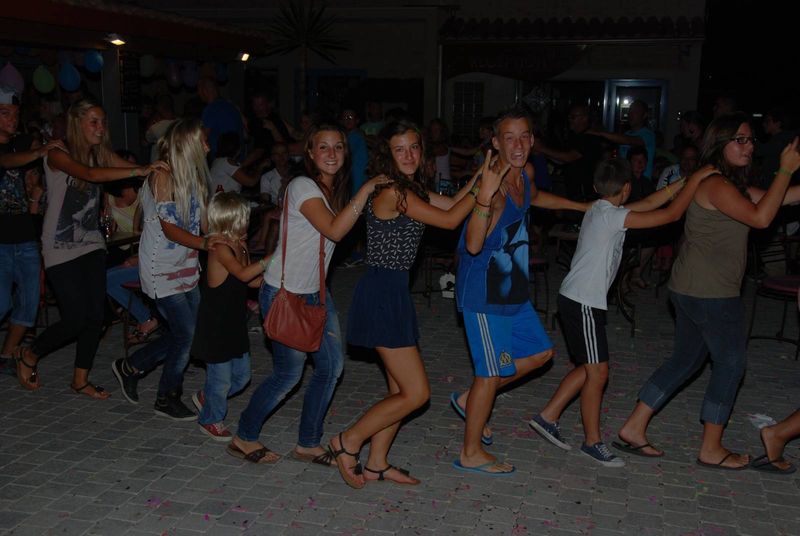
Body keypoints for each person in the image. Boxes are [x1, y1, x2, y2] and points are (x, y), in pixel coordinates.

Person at [616, 113, 800, 469]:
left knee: (686, 360)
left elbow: (777, 199)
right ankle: (711, 448)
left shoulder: (729, 185)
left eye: (750, 140)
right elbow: (762, 217)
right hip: (710, 294)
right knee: (731, 364)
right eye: (739, 140)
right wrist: (785, 170)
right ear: (720, 143)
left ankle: (634, 426)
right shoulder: (716, 185)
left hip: (691, 288)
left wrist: (788, 181)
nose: (748, 146)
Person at [329, 120, 490, 488]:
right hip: (382, 292)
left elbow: (452, 202)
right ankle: (347, 441)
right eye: (399, 149)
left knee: (399, 391)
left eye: (414, 147)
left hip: (393, 291)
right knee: (417, 393)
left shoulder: (408, 189)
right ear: (387, 154)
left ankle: (377, 463)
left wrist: (481, 174)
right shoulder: (392, 192)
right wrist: (486, 187)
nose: (408, 155)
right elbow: (450, 220)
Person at [529, 158, 713, 467]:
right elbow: (670, 214)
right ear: (627, 188)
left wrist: (684, 180)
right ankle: (592, 442)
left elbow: (651, 202)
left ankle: (547, 417)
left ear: (595, 187)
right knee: (598, 373)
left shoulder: (599, 209)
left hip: (575, 299)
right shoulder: (613, 217)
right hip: (583, 302)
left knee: (589, 367)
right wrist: (694, 182)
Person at [228, 124, 385, 464]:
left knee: (331, 368)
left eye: (338, 147)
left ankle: (308, 443)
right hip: (286, 295)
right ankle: (244, 436)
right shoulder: (302, 186)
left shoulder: (332, 192)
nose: (331, 153)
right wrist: (367, 188)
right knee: (288, 375)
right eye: (323, 147)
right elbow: (335, 231)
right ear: (310, 154)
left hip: (316, 293)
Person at [451, 105, 588, 476]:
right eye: (509, 138)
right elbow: (474, 244)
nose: (518, 144)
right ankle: (470, 451)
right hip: (483, 290)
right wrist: (484, 197)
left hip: (511, 284)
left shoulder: (524, 174)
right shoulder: (492, 186)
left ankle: (470, 399)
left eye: (524, 136)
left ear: (532, 140)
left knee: (541, 353)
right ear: (495, 143)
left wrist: (581, 206)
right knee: (489, 374)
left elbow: (536, 197)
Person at [13, 99, 163, 397]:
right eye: (93, 121)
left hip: (92, 243)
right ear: (76, 123)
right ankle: (29, 353)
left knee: (96, 315)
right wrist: (140, 169)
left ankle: (80, 379)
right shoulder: (57, 153)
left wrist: (160, 169)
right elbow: (91, 175)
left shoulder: (100, 153)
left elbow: (134, 170)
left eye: (103, 122)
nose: (100, 127)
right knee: (74, 318)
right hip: (59, 246)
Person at [112, 118, 225, 418]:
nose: (208, 147)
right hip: (160, 269)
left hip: (186, 267)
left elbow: (203, 224)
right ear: (187, 144)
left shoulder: (195, 178)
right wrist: (206, 244)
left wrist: (225, 229)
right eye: (203, 141)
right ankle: (166, 397)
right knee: (186, 335)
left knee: (188, 334)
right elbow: (170, 230)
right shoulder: (162, 175)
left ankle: (131, 366)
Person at [190, 192, 271, 440]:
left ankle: (207, 396)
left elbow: (250, 281)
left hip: (234, 322)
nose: (249, 221)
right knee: (222, 380)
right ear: (234, 220)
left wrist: (276, 280)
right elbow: (244, 274)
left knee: (242, 377)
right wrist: (271, 258)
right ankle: (210, 419)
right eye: (245, 217)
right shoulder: (220, 249)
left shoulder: (240, 245)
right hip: (215, 325)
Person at [0, 85, 63, 370]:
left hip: (25, 238)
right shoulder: (19, 151)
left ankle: (6, 356)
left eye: (15, 113)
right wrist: (39, 151)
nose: (12, 119)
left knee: (28, 304)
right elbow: (6, 161)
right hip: (1, 242)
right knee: (2, 304)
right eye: (5, 113)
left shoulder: (24, 142)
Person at [536, 102, 604, 201]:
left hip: (585, 192)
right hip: (574, 190)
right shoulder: (575, 137)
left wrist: (541, 148)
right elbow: (562, 160)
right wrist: (544, 153)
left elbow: (569, 157)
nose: (569, 120)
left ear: (584, 118)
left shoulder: (589, 137)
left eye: (573, 117)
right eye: (569, 117)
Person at [590, 99, 657, 179]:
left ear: (644, 115)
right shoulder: (626, 134)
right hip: (624, 181)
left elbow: (630, 140)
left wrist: (601, 133)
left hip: (641, 183)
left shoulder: (648, 135)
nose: (630, 114)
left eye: (635, 112)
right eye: (630, 111)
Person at [198, 77, 244, 160]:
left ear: (204, 91)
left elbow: (203, 137)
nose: (199, 95)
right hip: (238, 159)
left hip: (222, 161)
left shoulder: (210, 109)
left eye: (199, 91)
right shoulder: (231, 106)